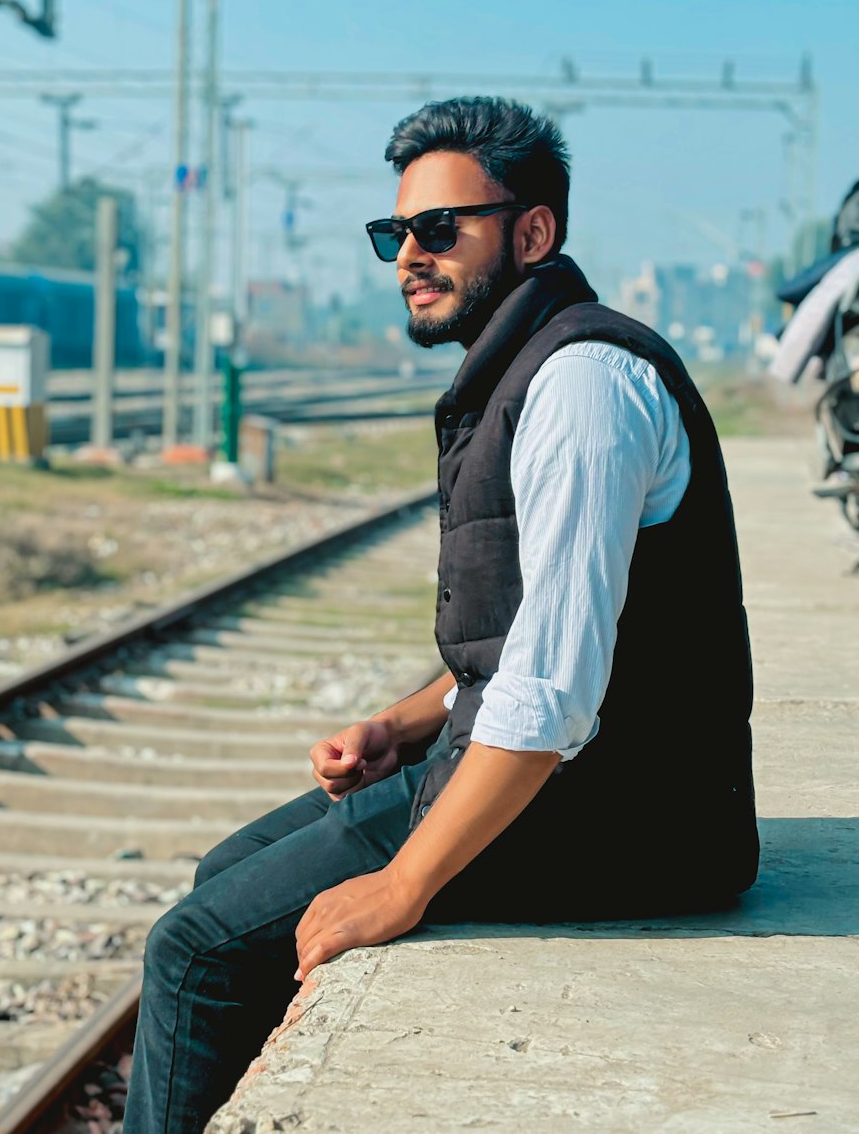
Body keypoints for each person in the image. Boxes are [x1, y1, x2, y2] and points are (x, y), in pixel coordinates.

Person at [123, 97, 758, 1134]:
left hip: (621, 819)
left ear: (533, 231)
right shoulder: (525, 366)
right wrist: (401, 725)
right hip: (560, 787)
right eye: (394, 234)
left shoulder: (581, 387)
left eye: (437, 228)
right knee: (223, 880)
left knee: (191, 950)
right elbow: (525, 638)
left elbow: (552, 690)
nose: (408, 256)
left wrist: (406, 881)